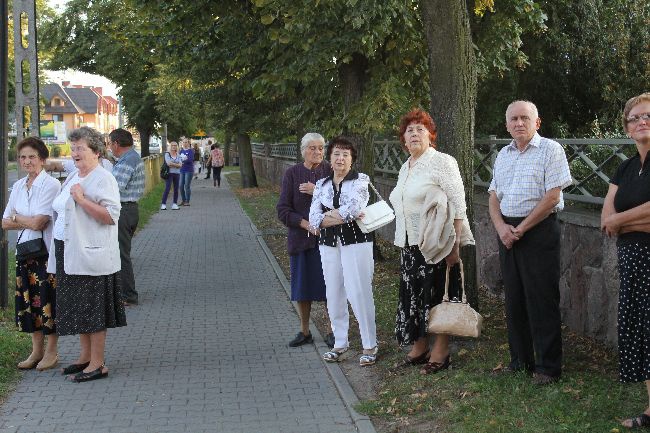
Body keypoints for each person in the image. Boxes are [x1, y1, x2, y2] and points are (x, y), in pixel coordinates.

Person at [488, 100, 572, 386]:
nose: (519, 123)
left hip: (537, 231)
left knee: (541, 298)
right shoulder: (503, 154)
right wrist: (502, 228)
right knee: (513, 299)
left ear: (537, 122)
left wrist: (520, 229)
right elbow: (493, 195)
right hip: (508, 232)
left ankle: (548, 367)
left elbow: (552, 197)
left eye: (525, 118)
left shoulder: (551, 150)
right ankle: (520, 361)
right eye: (513, 119)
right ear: (507, 124)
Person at [389, 109, 473, 374]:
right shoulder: (406, 167)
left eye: (420, 129)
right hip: (409, 244)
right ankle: (420, 345)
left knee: (438, 294)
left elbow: (459, 205)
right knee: (415, 295)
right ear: (403, 139)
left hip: (436, 245)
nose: (414, 134)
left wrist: (454, 245)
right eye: (409, 130)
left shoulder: (442, 162)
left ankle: (441, 350)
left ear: (430, 135)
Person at [47, 126, 126, 382]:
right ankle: (84, 358)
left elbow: (110, 216)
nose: (75, 153)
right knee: (79, 308)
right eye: (73, 148)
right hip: (67, 250)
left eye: (80, 148)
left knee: (92, 308)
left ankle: (97, 363)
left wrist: (82, 201)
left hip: (90, 254)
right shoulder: (74, 176)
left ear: (95, 151)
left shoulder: (103, 177)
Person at [601, 92, 650, 429]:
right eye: (634, 118)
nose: (641, 122)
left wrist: (621, 221)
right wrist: (624, 222)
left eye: (647, 116)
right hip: (634, 258)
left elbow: (616, 219)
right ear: (627, 127)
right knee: (644, 332)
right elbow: (607, 217)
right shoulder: (626, 166)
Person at [308, 137, 378, 366]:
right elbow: (313, 219)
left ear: (352, 159)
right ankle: (340, 342)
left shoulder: (360, 181)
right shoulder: (321, 185)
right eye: (337, 153)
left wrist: (327, 217)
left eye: (345, 155)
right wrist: (337, 216)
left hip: (356, 243)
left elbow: (355, 208)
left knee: (359, 292)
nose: (340, 158)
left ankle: (370, 345)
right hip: (328, 245)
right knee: (334, 293)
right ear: (329, 158)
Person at [2, 137, 61, 371]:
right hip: (23, 252)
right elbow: (5, 222)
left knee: (47, 302)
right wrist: (21, 220)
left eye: (32, 157)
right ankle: (36, 351)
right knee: (28, 303)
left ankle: (52, 351)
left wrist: (18, 218)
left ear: (43, 160)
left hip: (45, 254)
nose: (27, 161)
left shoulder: (50, 185)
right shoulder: (17, 186)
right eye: (23, 157)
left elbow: (40, 222)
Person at [277, 133, 334, 348]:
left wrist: (317, 190)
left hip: (327, 240)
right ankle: (304, 330)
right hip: (301, 240)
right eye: (312, 148)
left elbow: (341, 200)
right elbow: (282, 209)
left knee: (330, 286)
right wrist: (305, 224)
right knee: (302, 287)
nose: (317, 152)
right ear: (303, 150)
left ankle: (331, 330)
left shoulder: (330, 171)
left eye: (320, 148)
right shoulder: (292, 174)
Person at [108, 128, 145, 306]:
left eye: (110, 143)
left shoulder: (127, 161)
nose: (109, 147)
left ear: (116, 143)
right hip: (130, 210)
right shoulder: (131, 157)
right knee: (122, 253)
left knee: (121, 255)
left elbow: (114, 188)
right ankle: (123, 292)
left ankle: (128, 295)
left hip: (123, 211)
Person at [160, 141, 182, 210]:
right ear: (170, 146)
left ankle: (174, 204)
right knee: (168, 188)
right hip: (169, 173)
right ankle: (163, 204)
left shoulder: (178, 154)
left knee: (176, 189)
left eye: (175, 145)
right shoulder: (167, 154)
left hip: (177, 174)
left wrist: (173, 164)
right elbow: (168, 163)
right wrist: (176, 164)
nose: (174, 147)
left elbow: (181, 165)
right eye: (172, 145)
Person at [179, 138, 194, 206]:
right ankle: (183, 200)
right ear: (182, 143)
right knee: (181, 185)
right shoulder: (181, 151)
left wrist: (183, 160)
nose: (185, 144)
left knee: (187, 185)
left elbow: (190, 160)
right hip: (182, 170)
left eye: (186, 142)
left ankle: (187, 201)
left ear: (188, 143)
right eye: (184, 142)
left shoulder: (191, 151)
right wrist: (182, 160)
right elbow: (179, 159)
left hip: (189, 170)